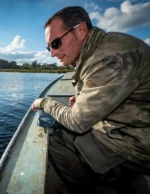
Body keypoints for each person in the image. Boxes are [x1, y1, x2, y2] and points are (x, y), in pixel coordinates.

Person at [31, 6, 150, 194]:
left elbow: (77, 122)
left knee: (54, 139)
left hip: (138, 144)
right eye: (49, 47)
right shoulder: (102, 49)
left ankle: (87, 189)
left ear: (80, 31)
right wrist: (82, 99)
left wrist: (45, 103)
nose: (52, 54)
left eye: (55, 43)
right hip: (133, 128)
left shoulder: (110, 58)